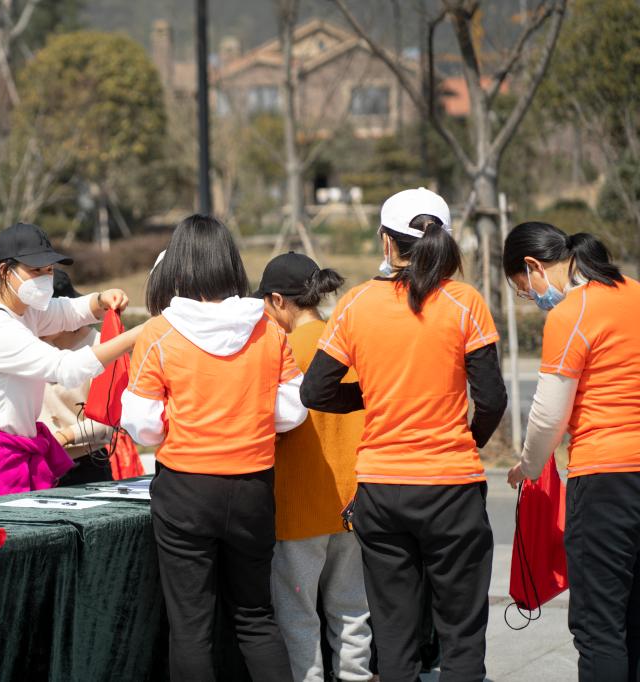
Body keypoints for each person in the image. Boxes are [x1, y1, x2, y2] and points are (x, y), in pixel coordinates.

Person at [300, 188, 507, 681]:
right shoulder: (464, 302)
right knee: (461, 635)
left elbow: (315, 391)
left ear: (386, 242)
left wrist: (374, 394)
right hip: (452, 487)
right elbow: (493, 399)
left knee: (394, 637)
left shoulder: (356, 304)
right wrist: (468, 440)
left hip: (382, 490)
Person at [120, 214, 308, 682]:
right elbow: (292, 411)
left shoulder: (159, 333)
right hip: (253, 488)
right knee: (256, 617)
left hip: (185, 491)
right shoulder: (268, 329)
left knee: (191, 629)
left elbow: (142, 426)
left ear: (178, 265)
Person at [502, 222, 640, 682]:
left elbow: (548, 414)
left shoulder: (572, 313)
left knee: (600, 625)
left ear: (534, 266)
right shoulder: (636, 293)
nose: (532, 297)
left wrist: (529, 465)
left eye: (525, 289)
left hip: (605, 477)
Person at [0, 222, 143, 506]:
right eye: (36, 270)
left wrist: (99, 300)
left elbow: (67, 311)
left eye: (49, 270)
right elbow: (66, 368)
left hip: (10, 456)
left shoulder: (23, 312)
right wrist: (132, 338)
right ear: (5, 271)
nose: (45, 278)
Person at [258, 252, 373, 682]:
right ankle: (356, 676)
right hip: (353, 501)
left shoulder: (282, 350)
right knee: (353, 610)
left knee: (298, 613)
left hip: (299, 505)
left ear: (278, 301)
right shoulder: (347, 344)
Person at [38, 270, 116, 485]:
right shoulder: (34, 344)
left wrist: (64, 437)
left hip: (85, 465)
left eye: (43, 314)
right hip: (39, 463)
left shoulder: (103, 347)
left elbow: (109, 420)